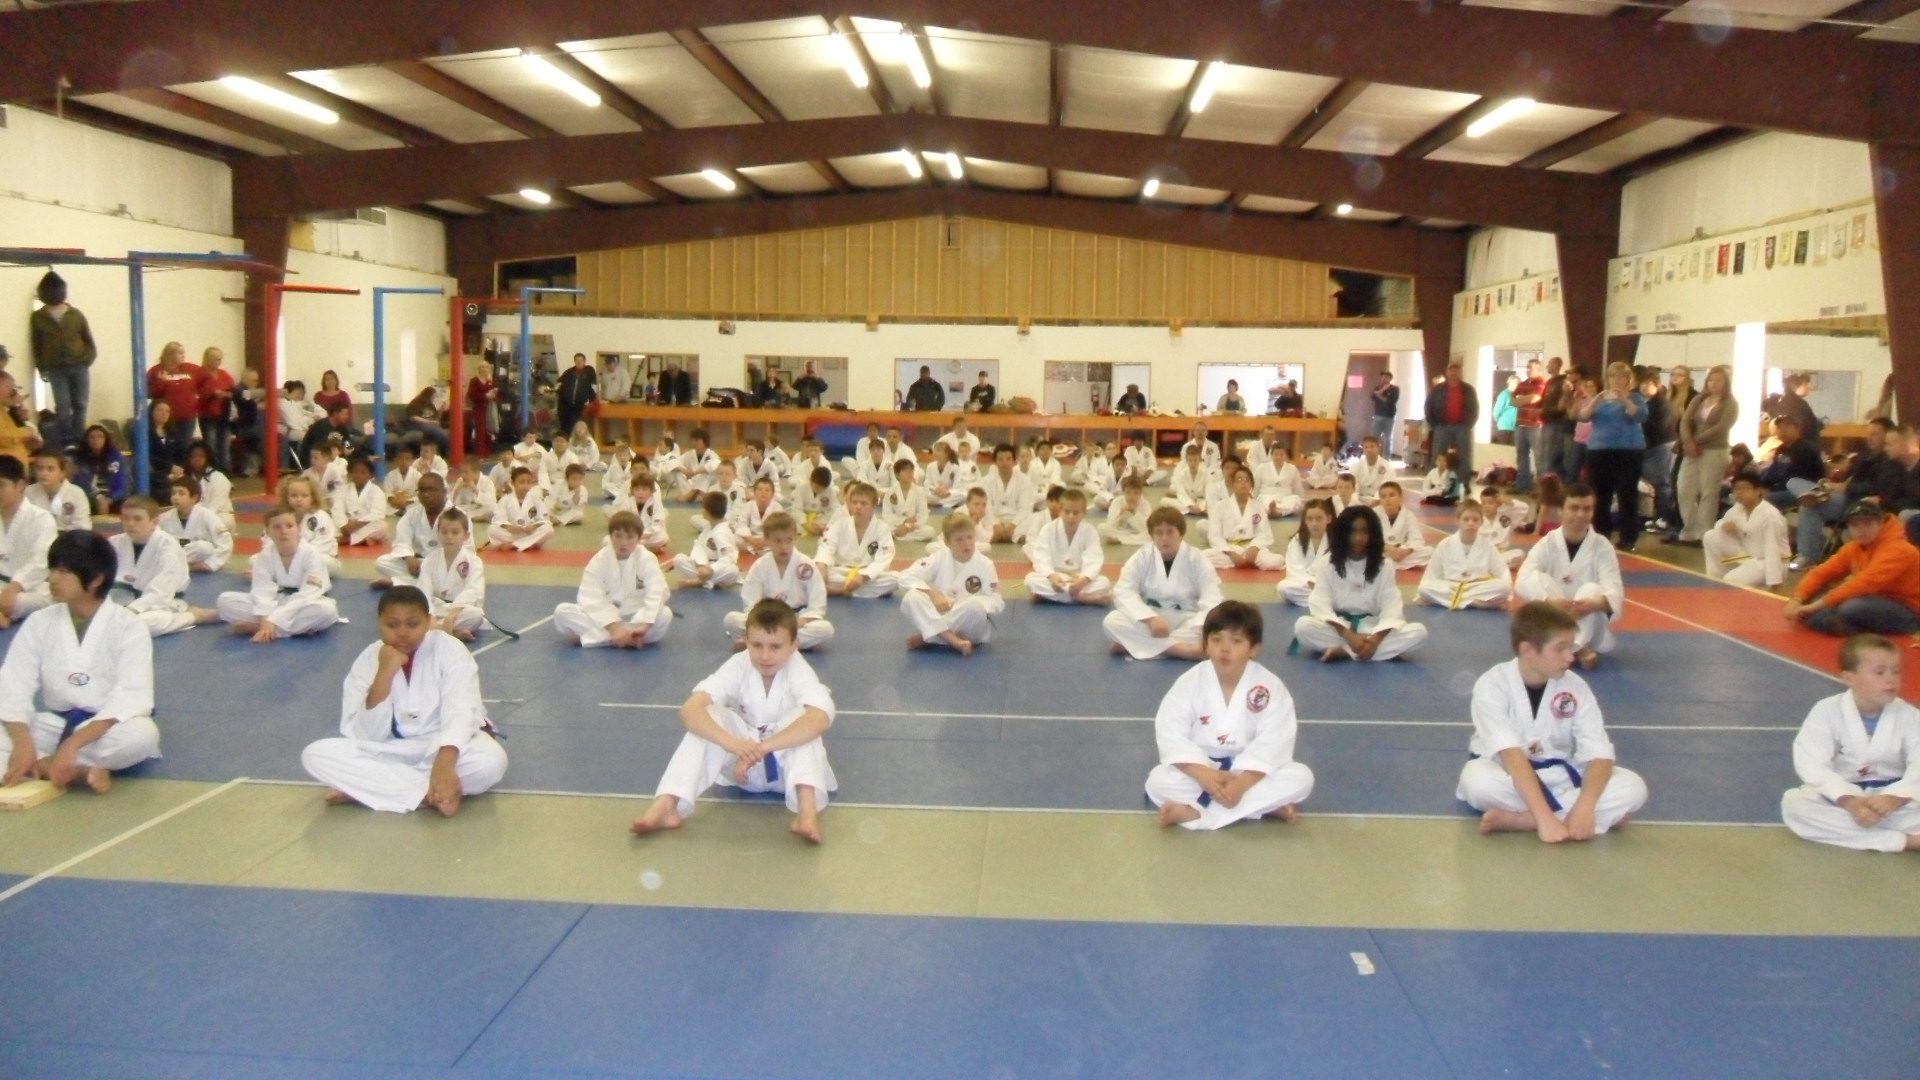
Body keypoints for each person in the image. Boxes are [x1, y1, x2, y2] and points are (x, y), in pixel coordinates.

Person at [632, 598, 836, 843]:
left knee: (803, 719)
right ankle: (667, 804)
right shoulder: (739, 665)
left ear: (794, 645)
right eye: (757, 645)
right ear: (746, 641)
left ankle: (806, 812)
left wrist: (761, 748)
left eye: (775, 647)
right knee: (711, 714)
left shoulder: (799, 670)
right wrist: (733, 744)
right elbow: (689, 710)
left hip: (788, 773)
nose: (765, 655)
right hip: (743, 770)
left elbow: (819, 719)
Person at [301, 586, 507, 816]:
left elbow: (461, 711)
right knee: (315, 755)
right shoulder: (369, 659)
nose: (402, 633)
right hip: (388, 749)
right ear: (379, 622)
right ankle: (429, 794)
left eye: (413, 624)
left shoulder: (450, 650)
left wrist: (445, 763)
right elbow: (365, 735)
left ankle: (373, 788)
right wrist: (384, 674)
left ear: (428, 622)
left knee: (491, 762)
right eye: (392, 625)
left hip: (440, 746)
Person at [1456, 602, 1649, 842]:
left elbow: (1599, 754)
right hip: (1508, 774)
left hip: (1561, 774)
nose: (1570, 657)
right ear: (1527, 650)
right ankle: (1589, 817)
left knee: (1634, 787)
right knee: (1477, 783)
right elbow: (1512, 757)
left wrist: (1586, 806)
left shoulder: (1575, 686)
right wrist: (1545, 819)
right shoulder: (1492, 685)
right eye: (1560, 649)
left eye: (1571, 647)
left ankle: (1523, 821)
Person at [0, 531, 159, 794]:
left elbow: (133, 697)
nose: (52, 579)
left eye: (63, 572)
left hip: (102, 731)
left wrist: (72, 745)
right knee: (7, 730)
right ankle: (70, 771)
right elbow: (12, 688)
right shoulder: (39, 622)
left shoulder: (129, 626)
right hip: (53, 726)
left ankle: (48, 765)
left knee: (142, 735)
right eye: (53, 569)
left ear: (95, 579)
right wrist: (22, 743)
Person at [1145, 601, 1313, 831]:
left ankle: (1196, 814)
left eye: (1236, 641)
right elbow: (1170, 734)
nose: (1225, 649)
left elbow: (1275, 740)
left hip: (1249, 773)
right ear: (1205, 645)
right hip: (1202, 769)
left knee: (1301, 778)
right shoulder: (1189, 683)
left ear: (1254, 648)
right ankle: (1262, 809)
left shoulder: (1269, 686)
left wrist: (1242, 784)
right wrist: (1203, 774)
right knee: (1157, 781)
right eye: (1216, 640)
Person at [1780, 634, 1920, 853]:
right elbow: (1811, 763)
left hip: (1896, 802)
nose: (1891, 679)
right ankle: (1905, 841)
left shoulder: (1909, 715)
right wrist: (1850, 802)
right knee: (1795, 804)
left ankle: (1864, 833)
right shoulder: (1827, 711)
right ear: (1849, 678)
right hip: (1846, 800)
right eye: (1880, 672)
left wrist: (1896, 797)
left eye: (1896, 671)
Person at [1292, 505, 1427, 662]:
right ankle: (1374, 651)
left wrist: (1376, 639)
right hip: (1338, 627)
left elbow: (1391, 607)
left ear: (1373, 534)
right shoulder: (1327, 563)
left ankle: (1346, 652)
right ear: (1343, 533)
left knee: (1419, 632)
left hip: (1372, 628)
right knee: (1303, 626)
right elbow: (1320, 604)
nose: (1358, 538)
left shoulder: (1384, 565)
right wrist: (1348, 635)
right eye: (1352, 531)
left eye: (1364, 532)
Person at [1515, 484, 1623, 668]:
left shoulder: (1602, 546)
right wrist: (1550, 601)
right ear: (1560, 511)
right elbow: (1522, 580)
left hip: (1589, 626)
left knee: (1592, 589)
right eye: (1574, 508)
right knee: (1541, 580)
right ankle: (1578, 649)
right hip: (1554, 620)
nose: (1580, 514)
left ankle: (1568, 645)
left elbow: (1615, 590)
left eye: (1587, 509)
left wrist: (1594, 604)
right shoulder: (1547, 543)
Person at [1102, 508, 1223, 661]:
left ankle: (1133, 645)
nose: (1165, 538)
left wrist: (1200, 626)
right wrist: (1150, 618)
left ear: (1181, 533)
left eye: (1170, 532)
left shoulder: (1197, 559)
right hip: (1151, 618)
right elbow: (1123, 591)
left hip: (1187, 619)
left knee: (1213, 630)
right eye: (1159, 532)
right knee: (1112, 621)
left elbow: (1212, 599)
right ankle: (1182, 651)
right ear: (1152, 535)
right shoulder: (1142, 557)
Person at [1785, 502, 1920, 636]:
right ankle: (1836, 622)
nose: (1861, 530)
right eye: (1854, 525)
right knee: (1815, 597)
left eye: (1867, 523)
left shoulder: (1899, 549)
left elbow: (1865, 583)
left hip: (1909, 609)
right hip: (1873, 599)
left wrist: (1815, 607)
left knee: (1851, 607)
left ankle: (1839, 624)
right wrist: (1797, 598)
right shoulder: (1853, 548)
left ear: (1880, 524)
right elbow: (1820, 573)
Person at [1794, 416, 1904, 567]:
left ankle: (1808, 555)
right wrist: (1834, 483)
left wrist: (1847, 488)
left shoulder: (1890, 459)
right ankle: (1807, 555)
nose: (1869, 438)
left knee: (1809, 502)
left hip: (1861, 501)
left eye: (1875, 434)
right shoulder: (1864, 455)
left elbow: (1879, 488)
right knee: (1798, 489)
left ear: (1887, 435)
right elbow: (1849, 476)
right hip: (1845, 496)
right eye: (1868, 434)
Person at [554, 511, 673, 648]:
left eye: (630, 537)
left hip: (636, 617)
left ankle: (600, 638)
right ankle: (626, 638)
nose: (623, 542)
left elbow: (657, 593)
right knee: (562, 612)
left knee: (665, 615)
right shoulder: (599, 560)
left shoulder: (646, 559)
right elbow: (590, 597)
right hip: (606, 620)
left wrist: (645, 624)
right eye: (618, 536)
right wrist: (614, 629)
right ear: (610, 536)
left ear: (639, 538)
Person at [107, 495, 213, 637]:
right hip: (121, 602)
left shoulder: (168, 547)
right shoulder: (114, 542)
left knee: (142, 623)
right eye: (126, 518)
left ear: (154, 522)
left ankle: (193, 616)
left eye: (137, 519)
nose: (130, 524)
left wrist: (131, 610)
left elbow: (161, 593)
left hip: (161, 605)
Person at [900, 511, 1005, 654]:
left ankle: (929, 636)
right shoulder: (939, 558)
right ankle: (952, 639)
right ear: (947, 542)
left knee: (974, 608)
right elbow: (905, 576)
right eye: (959, 539)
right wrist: (933, 594)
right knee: (911, 597)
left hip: (969, 626)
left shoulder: (985, 565)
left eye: (970, 537)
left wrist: (961, 603)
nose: (967, 543)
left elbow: (997, 602)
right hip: (941, 613)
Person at [1580, 362, 1646, 551]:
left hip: (1628, 451)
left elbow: (1639, 416)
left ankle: (1628, 537)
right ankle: (1601, 534)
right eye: (1612, 376)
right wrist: (1596, 400)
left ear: (1628, 379)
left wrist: (1624, 399)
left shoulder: (1635, 397)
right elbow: (1583, 416)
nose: (1616, 380)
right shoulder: (1600, 399)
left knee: (1627, 494)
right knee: (1600, 495)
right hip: (1599, 450)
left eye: (1621, 376)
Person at [28, 270, 96, 450]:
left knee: (80, 404)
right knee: (63, 407)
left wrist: (88, 358)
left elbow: (87, 338)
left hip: (79, 365)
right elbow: (37, 344)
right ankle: (67, 441)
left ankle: (79, 440)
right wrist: (41, 367)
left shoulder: (75, 314)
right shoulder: (38, 317)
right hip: (55, 368)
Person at [1674, 364, 1738, 545]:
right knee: (1684, 489)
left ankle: (1705, 533)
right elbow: (1685, 421)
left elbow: (1722, 427)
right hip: (1691, 450)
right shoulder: (1699, 400)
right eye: (1711, 380)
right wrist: (1688, 441)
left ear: (1726, 382)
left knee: (1709, 492)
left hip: (1714, 450)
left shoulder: (1730, 403)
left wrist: (1696, 441)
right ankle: (1690, 529)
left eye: (1718, 380)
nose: (1714, 383)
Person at [1702, 470, 1790, 589]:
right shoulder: (1738, 508)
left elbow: (1772, 549)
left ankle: (1760, 582)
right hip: (1747, 556)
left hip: (1767, 562)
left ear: (1758, 491)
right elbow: (1721, 522)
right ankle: (1715, 579)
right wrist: (1724, 525)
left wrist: (1775, 583)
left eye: (1745, 489)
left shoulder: (1770, 516)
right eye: (1736, 489)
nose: (1739, 493)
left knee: (1731, 580)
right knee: (1710, 536)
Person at [1415, 502, 1512, 610]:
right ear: (1458, 520)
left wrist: (1507, 596)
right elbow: (1432, 572)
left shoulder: (1487, 545)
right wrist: (1421, 594)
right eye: (1466, 519)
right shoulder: (1445, 544)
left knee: (1504, 587)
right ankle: (1475, 602)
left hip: (1477, 586)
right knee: (1424, 588)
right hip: (1450, 586)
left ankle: (1453, 601)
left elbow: (1502, 571)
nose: (1470, 523)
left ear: (1481, 522)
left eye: (1475, 520)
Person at [1025, 488, 1111, 603]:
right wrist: (1052, 576)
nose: (1071, 516)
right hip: (1056, 576)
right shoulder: (1048, 529)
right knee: (1030, 580)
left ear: (1084, 513)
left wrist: (1083, 580)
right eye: (1067, 512)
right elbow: (1041, 557)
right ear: (1060, 511)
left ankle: (1049, 596)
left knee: (1104, 583)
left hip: (1079, 578)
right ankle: (1085, 598)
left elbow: (1094, 559)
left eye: (1076, 513)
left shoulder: (1090, 531)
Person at [815, 481, 898, 597]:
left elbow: (886, 555)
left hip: (867, 574)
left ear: (873, 506)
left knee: (896, 579)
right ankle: (852, 590)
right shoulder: (839, 524)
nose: (858, 507)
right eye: (854, 502)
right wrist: (822, 567)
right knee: (812, 571)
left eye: (863, 503)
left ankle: (836, 590)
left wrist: (863, 576)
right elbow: (826, 548)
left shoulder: (882, 528)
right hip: (842, 571)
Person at [414, 509, 487, 640]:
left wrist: (453, 614)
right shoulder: (430, 560)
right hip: (435, 609)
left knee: (475, 615)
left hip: (459, 611)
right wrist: (430, 616)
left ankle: (433, 630)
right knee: (411, 612)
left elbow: (474, 590)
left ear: (466, 535)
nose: (449, 537)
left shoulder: (473, 561)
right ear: (438, 534)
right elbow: (424, 591)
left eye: (455, 532)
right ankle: (452, 633)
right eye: (444, 532)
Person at [0, 455, 56, 627]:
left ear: (20, 485)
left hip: (28, 589)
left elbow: (40, 562)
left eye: (1, 485)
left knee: (46, 600)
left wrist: (14, 587)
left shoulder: (41, 518)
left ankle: (6, 613)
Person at [373, 473, 450, 588]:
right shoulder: (412, 514)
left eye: (431, 490)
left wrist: (437, 564)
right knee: (382, 562)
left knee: (455, 572)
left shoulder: (456, 515)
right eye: (422, 490)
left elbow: (465, 551)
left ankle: (399, 582)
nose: (426, 495)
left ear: (444, 491)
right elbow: (402, 541)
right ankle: (425, 583)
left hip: (446, 564)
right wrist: (409, 558)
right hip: (421, 563)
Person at [1203, 468, 1284, 571]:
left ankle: (1249, 560)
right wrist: (1231, 553)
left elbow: (1264, 533)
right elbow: (1214, 535)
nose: (1243, 483)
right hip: (1230, 548)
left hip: (1252, 549)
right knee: (1202, 557)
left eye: (1246, 480)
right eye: (1239, 479)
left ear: (1251, 485)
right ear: (1233, 484)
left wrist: (1254, 547)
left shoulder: (1258, 506)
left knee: (1274, 562)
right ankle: (1245, 562)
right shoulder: (1220, 507)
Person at [146, 341, 204, 464]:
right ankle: (169, 469)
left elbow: (206, 380)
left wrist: (199, 400)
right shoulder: (156, 370)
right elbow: (150, 393)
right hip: (167, 418)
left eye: (183, 353)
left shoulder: (190, 368)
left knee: (184, 446)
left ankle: (181, 470)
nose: (183, 355)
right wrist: (161, 381)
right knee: (168, 447)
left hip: (187, 416)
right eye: (180, 353)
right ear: (170, 354)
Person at [1425, 360, 1479, 491]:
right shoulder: (1437, 390)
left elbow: (1474, 408)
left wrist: (1468, 424)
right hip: (1442, 426)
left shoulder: (1468, 390)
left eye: (1457, 371)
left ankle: (1463, 484)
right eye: (1451, 370)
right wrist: (1435, 425)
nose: (1454, 373)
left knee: (1464, 456)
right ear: (1446, 372)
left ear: (1460, 373)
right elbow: (1428, 407)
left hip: (1462, 427)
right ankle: (1434, 482)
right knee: (1437, 455)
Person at [672, 491, 742, 590]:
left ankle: (699, 582)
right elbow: (699, 546)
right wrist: (701, 565)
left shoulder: (723, 532)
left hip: (718, 568)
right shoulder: (708, 527)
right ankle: (711, 582)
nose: (702, 510)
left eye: (703, 508)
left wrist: (711, 569)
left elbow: (728, 558)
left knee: (733, 570)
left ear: (708, 512)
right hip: (704, 566)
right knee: (678, 559)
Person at [487, 466, 554, 551]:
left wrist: (534, 526)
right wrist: (509, 527)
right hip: (513, 533)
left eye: (528, 482)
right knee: (492, 530)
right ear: (513, 483)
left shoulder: (536, 500)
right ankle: (528, 543)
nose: (525, 486)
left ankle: (514, 545)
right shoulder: (505, 500)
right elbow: (498, 519)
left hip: (529, 532)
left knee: (548, 530)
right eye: (521, 482)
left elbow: (544, 519)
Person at [333, 455, 391, 547]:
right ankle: (363, 539)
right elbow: (337, 509)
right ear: (350, 473)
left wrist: (357, 524)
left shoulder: (376, 491)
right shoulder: (343, 490)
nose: (358, 475)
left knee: (382, 526)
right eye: (355, 472)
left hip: (365, 525)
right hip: (347, 526)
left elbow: (377, 514)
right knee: (329, 524)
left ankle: (349, 540)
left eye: (363, 472)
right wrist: (343, 525)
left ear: (371, 475)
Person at [981, 443, 1033, 544]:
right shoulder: (986, 481)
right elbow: (986, 506)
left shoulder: (1024, 480)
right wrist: (995, 524)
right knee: (972, 514)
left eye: (1008, 459)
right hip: (993, 520)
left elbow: (1026, 508)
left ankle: (1000, 536)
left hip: (1017, 521)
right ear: (995, 462)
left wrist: (1013, 525)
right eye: (1000, 459)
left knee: (1036, 517)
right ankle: (1014, 537)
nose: (1004, 463)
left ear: (1015, 461)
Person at [27, 449, 90, 532]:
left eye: (50, 469)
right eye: (40, 468)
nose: (44, 473)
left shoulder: (77, 493)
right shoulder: (28, 492)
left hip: (67, 538)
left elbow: (82, 527)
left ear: (62, 472)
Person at [71, 424, 127, 515]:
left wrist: (109, 499)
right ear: (86, 439)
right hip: (89, 497)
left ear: (106, 439)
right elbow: (80, 483)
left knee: (125, 505)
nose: (96, 440)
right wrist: (97, 497)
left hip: (111, 497)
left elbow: (121, 485)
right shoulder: (80, 458)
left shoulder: (115, 457)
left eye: (100, 436)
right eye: (92, 437)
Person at [197, 346, 236, 473]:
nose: (219, 361)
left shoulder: (224, 374)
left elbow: (234, 391)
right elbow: (197, 393)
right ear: (207, 359)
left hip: (223, 415)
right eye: (216, 359)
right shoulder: (199, 374)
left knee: (224, 447)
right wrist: (212, 393)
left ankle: (226, 473)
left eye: (220, 359)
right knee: (210, 446)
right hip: (207, 415)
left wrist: (227, 394)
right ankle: (212, 472)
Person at [1375, 481, 1431, 569]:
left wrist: (1407, 551)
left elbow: (1417, 538)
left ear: (1400, 497)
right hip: (1381, 551)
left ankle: (1387, 564)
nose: (1388, 499)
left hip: (1400, 552)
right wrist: (1386, 548)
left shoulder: (1409, 515)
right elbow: (1369, 538)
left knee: (1430, 552)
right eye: (1383, 497)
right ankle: (1388, 563)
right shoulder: (1374, 513)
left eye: (1392, 495)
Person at [1510, 358, 1546, 494]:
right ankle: (1522, 486)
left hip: (1535, 425)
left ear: (1539, 369)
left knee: (1539, 457)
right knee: (1521, 456)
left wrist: (1521, 399)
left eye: (1530, 367)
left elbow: (1535, 398)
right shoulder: (1522, 384)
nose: (1527, 370)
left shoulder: (1542, 383)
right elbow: (1512, 401)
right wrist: (1524, 399)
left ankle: (1541, 489)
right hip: (1520, 424)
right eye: (1527, 367)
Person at [0, 371, 40, 469]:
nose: (13, 392)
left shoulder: (4, 411)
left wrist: (29, 445)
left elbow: (13, 442)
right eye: (9, 387)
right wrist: (28, 432)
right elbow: (4, 437)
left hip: (16, 468)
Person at [556, 353, 598, 437]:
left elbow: (593, 387)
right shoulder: (569, 372)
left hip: (578, 406)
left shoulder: (589, 373)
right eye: (577, 360)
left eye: (581, 360)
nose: (579, 362)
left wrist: (592, 400)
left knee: (572, 426)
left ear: (584, 361)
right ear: (574, 361)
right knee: (563, 426)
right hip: (564, 405)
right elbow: (559, 383)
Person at [403, 386, 451, 454]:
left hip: (429, 425)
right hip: (416, 424)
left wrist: (441, 410)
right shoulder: (415, 403)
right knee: (436, 431)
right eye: (433, 396)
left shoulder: (431, 405)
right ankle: (447, 449)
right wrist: (429, 422)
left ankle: (441, 450)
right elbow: (413, 417)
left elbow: (436, 420)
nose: (434, 398)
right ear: (427, 395)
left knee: (444, 428)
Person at [465, 361, 498, 457]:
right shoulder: (474, 380)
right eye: (482, 367)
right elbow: (471, 395)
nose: (484, 369)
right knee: (480, 431)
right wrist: (485, 396)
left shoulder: (491, 381)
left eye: (486, 367)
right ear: (478, 369)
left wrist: (494, 394)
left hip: (489, 409)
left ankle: (486, 453)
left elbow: (497, 396)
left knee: (489, 430)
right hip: (478, 408)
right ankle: (479, 454)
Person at [1369, 371, 1400, 457]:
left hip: (1389, 417)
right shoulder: (1377, 387)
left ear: (1390, 379)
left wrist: (1378, 394)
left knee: (1387, 439)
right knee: (1375, 438)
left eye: (1386, 377)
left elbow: (1390, 401)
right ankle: (1375, 456)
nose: (1384, 379)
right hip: (1377, 416)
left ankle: (1386, 458)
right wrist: (1382, 390)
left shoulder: (1395, 389)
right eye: (1382, 377)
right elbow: (1372, 396)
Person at [1491, 373, 1518, 446]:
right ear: (1511, 383)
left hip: (1514, 428)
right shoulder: (1504, 395)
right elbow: (1496, 411)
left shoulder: (1517, 396)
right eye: (1517, 383)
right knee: (1503, 449)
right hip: (1504, 427)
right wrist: (1500, 422)